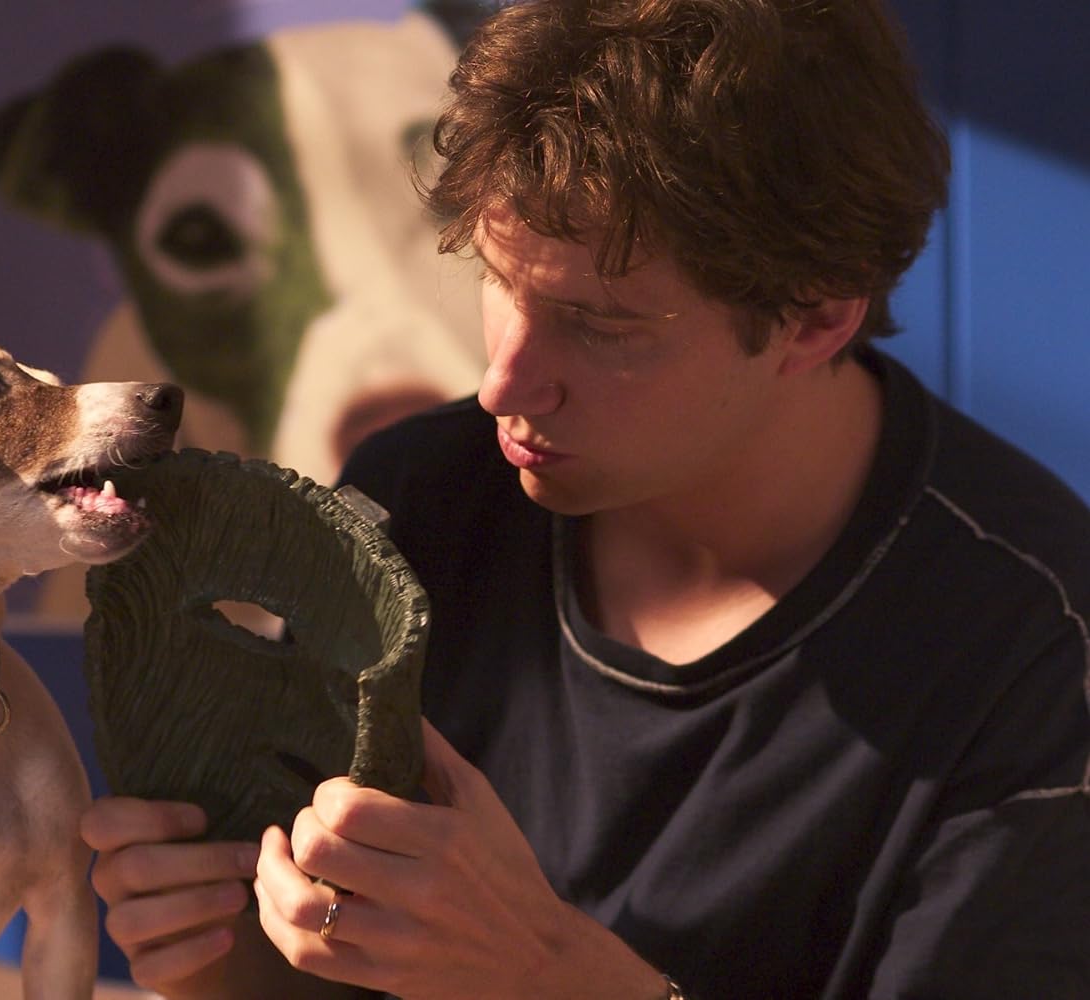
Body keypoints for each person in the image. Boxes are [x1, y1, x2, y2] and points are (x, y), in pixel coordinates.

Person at [80, 0, 1090, 996]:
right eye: (496, 280)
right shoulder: (415, 498)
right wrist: (221, 955)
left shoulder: (1034, 641)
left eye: (599, 326)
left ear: (817, 316)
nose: (501, 385)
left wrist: (548, 974)